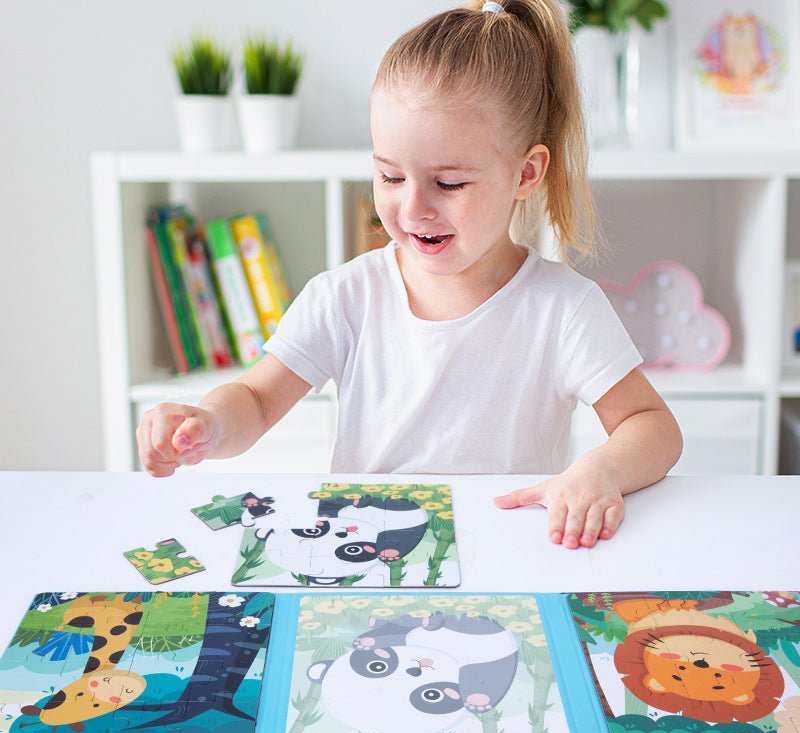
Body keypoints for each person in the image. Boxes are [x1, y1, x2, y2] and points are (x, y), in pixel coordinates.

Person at [137, 0, 682, 549]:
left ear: (526, 172)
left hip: (508, 555)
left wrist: (601, 470)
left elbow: (652, 425)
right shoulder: (345, 296)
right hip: (363, 555)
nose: (413, 208)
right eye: (390, 177)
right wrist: (208, 422)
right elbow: (256, 400)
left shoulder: (563, 308)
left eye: (449, 184)